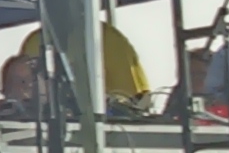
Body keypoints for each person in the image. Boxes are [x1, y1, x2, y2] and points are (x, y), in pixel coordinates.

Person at [17, 19, 152, 114]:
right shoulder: (37, 40)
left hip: (108, 129)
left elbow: (131, 103)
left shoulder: (106, 37)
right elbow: (20, 92)